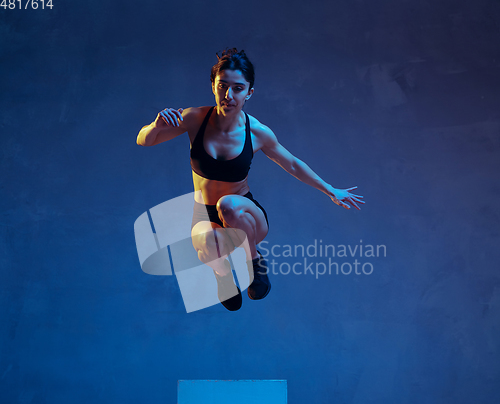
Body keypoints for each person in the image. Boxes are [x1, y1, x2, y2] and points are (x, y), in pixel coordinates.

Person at [137, 48, 364, 311]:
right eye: (222, 86)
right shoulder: (195, 119)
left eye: (238, 88)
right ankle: (223, 277)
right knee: (204, 242)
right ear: (213, 86)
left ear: (249, 93)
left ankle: (254, 264)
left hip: (246, 215)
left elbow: (291, 163)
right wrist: (155, 126)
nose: (228, 95)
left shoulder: (256, 132)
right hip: (205, 215)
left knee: (228, 206)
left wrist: (330, 190)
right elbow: (145, 140)